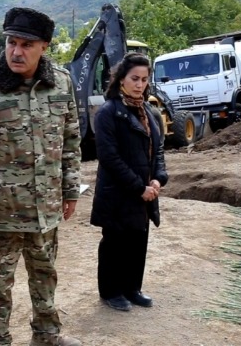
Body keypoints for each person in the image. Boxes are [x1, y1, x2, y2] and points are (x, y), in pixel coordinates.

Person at [0, 7, 82, 346]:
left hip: (46, 207)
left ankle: (47, 335)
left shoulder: (61, 83)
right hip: (1, 213)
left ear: (44, 46)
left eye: (26, 45)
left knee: (45, 275)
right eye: (11, 42)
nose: (16, 51)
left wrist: (70, 191)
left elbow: (71, 141)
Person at [90, 52, 168, 312]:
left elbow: (158, 150)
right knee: (115, 242)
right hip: (117, 192)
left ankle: (132, 288)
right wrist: (138, 187)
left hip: (145, 191)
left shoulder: (149, 111)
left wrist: (157, 179)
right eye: (135, 78)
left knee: (138, 240)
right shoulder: (108, 113)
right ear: (121, 79)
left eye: (144, 80)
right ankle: (111, 292)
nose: (139, 84)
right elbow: (109, 158)